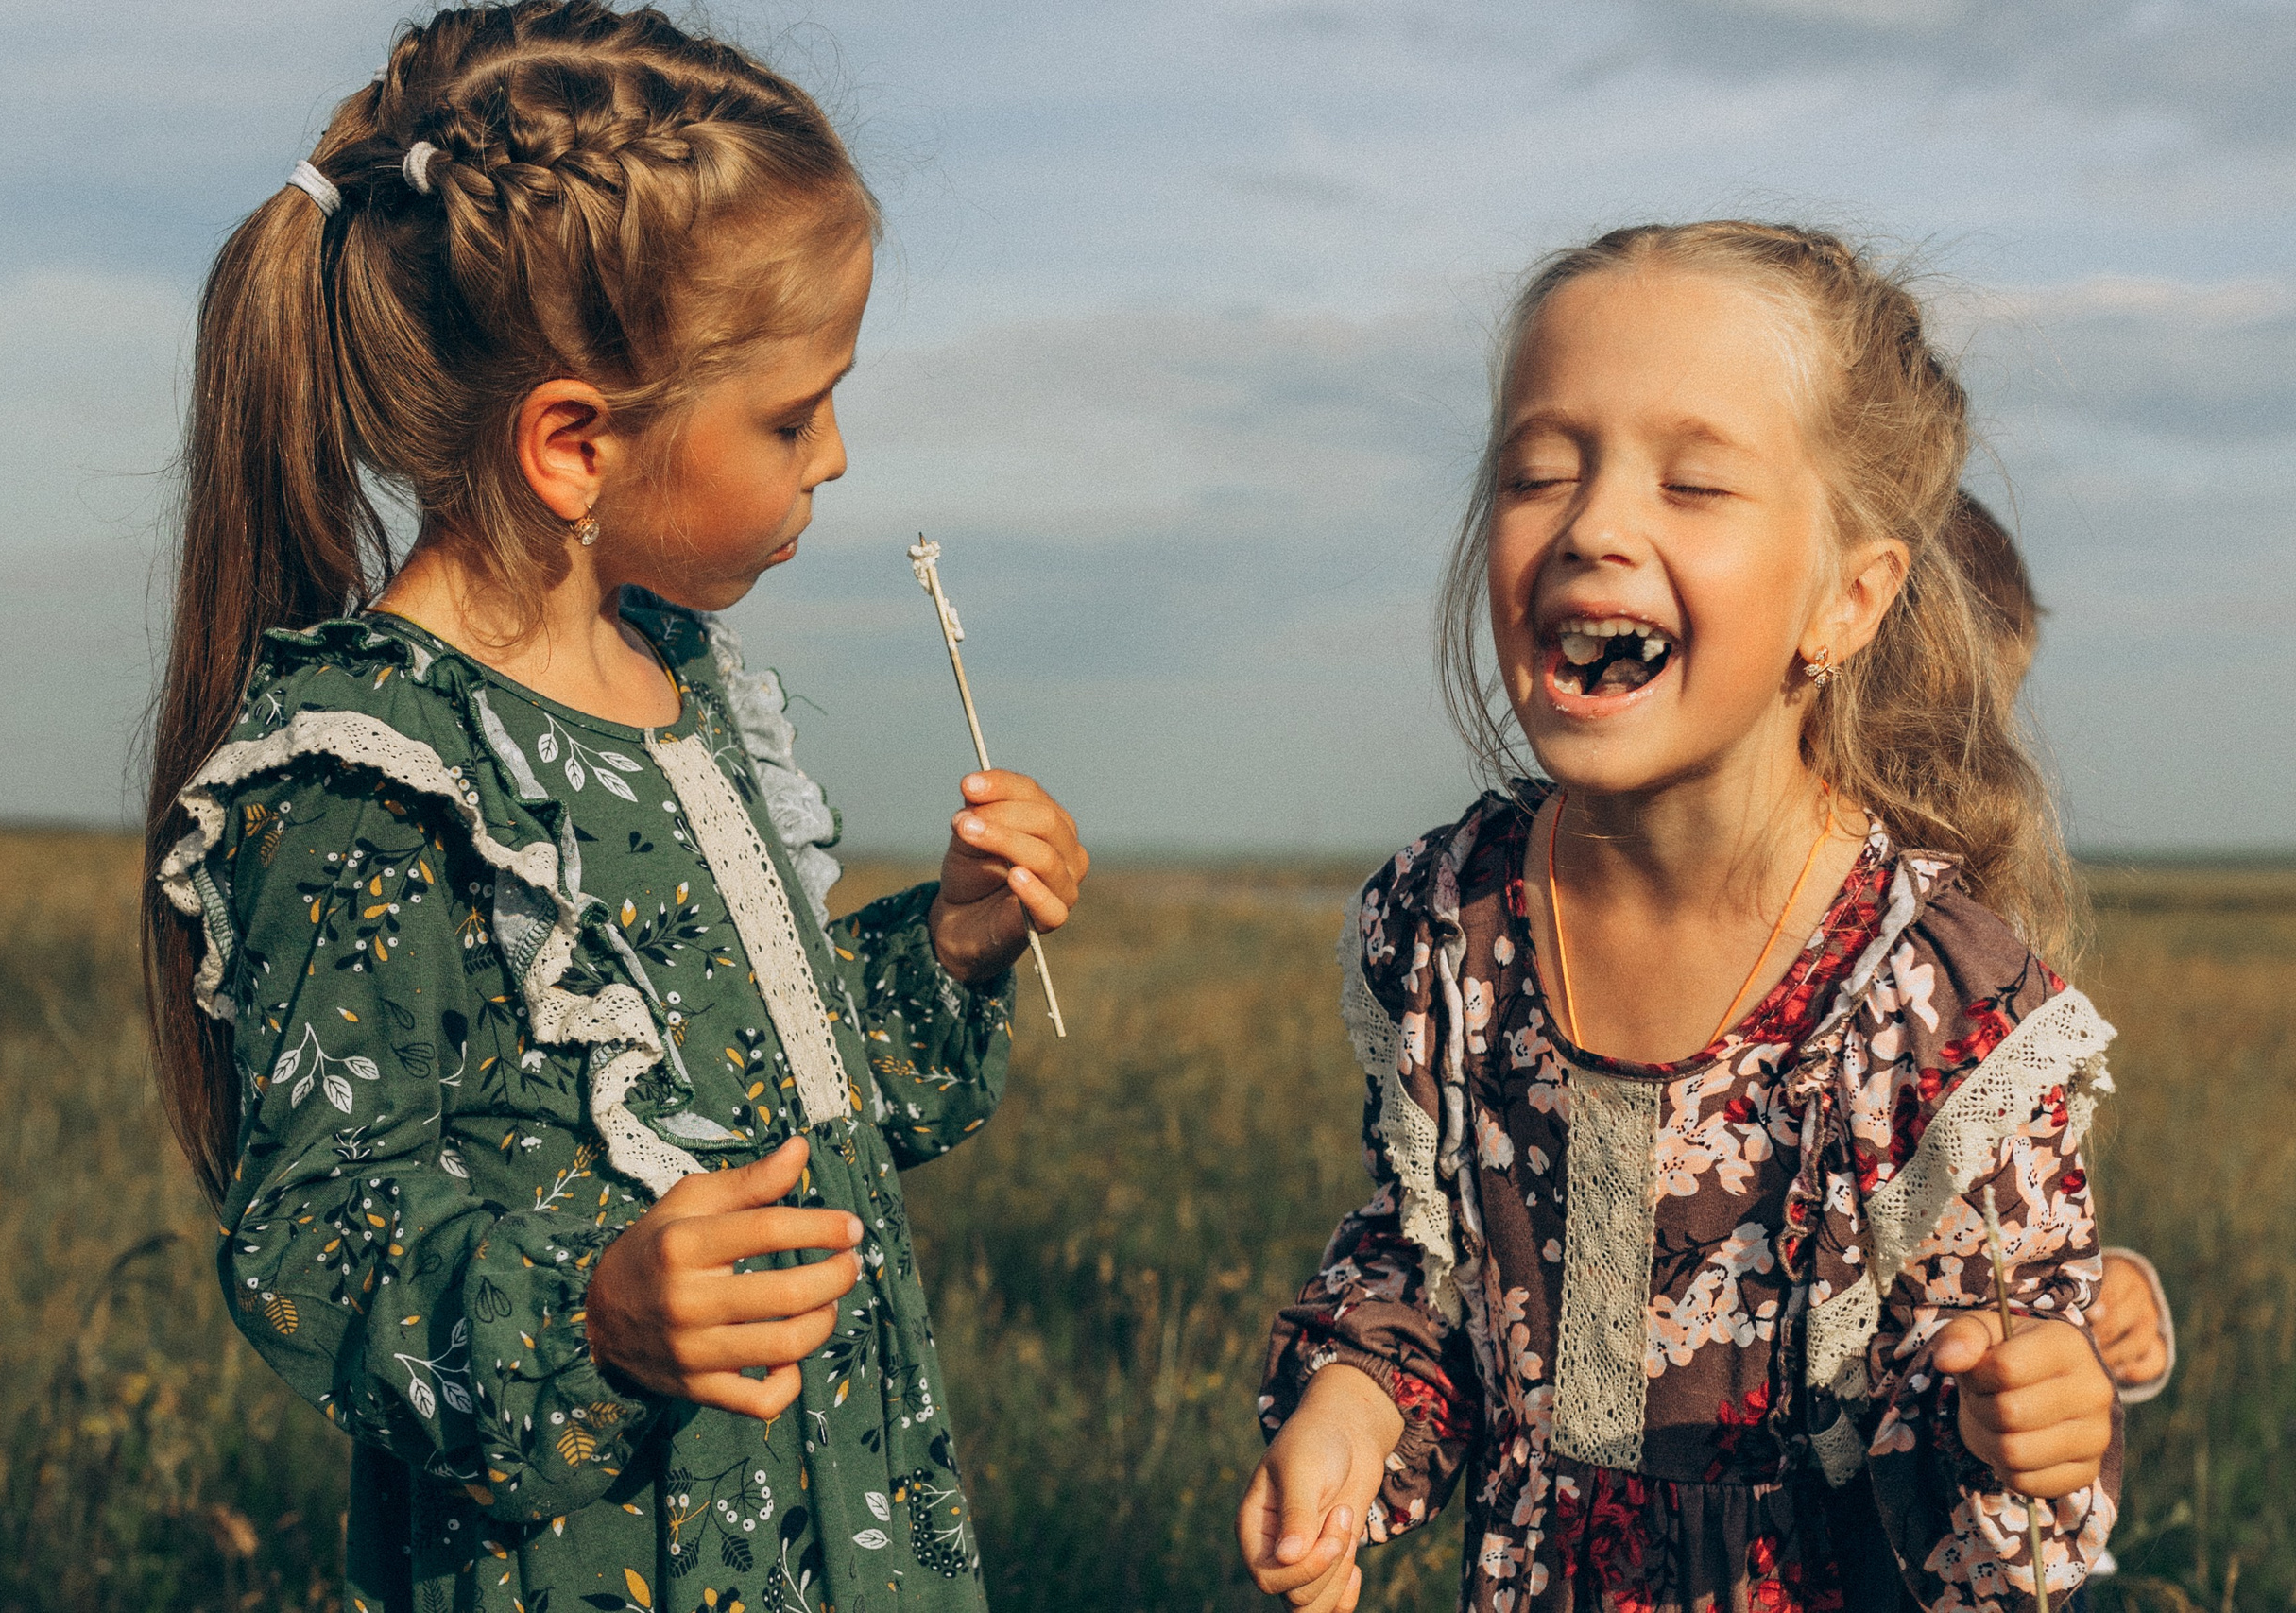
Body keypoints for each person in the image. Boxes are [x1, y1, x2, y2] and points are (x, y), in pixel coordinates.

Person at [140, 8, 1088, 1610]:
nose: (836, 456)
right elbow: (316, 1240)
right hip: (601, 1561)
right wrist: (594, 1314)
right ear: (575, 442)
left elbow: (774, 1104)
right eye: (794, 414)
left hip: (842, 1526)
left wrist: (949, 949)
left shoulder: (678, 684)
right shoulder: (367, 769)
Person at [1239, 223, 2124, 1612]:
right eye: (1540, 471)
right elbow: (1429, 1287)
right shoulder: (1449, 924)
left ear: (1846, 596)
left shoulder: (1935, 999)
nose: (1592, 522)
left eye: (1695, 481)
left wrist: (2025, 1414)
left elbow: (1987, 1408)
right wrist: (1356, 1404)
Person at [1944, 491, 2175, 1407]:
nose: (1982, 754)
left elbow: (2017, 1252)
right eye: (1946, 714)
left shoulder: (1980, 952)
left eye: (1993, 710)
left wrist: (2104, 1297)